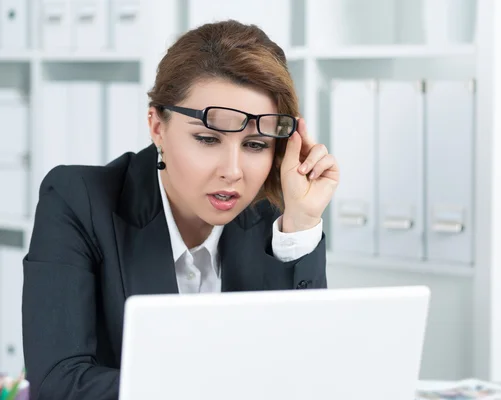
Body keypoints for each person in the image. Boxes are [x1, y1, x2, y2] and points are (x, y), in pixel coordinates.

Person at [21, 20, 339, 400]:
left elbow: (306, 371)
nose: (233, 172)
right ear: (157, 126)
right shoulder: (78, 200)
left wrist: (301, 223)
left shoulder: (273, 217)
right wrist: (214, 386)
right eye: (207, 139)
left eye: (255, 145)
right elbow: (59, 383)